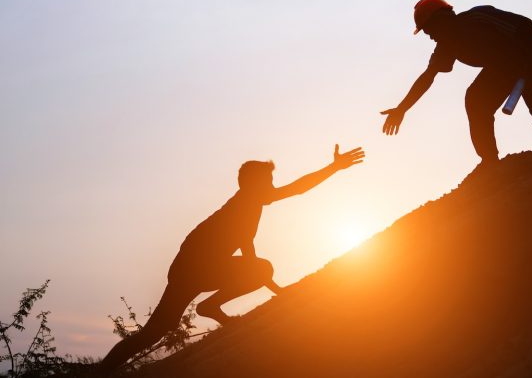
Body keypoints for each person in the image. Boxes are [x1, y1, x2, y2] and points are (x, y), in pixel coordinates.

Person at [100, 144, 365, 373]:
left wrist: (271, 285)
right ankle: (102, 369)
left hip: (190, 267)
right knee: (158, 329)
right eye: (268, 180)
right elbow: (296, 190)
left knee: (156, 330)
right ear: (252, 183)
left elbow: (245, 243)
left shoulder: (247, 204)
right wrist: (333, 168)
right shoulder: (246, 202)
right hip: (192, 267)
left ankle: (101, 370)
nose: (272, 186)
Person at [381, 0, 532, 168]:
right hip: (502, 68)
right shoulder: (446, 46)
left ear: (443, 18)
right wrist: (402, 109)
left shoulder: (477, 17)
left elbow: (524, 25)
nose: (430, 36)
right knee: (475, 100)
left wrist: (530, 61)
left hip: (531, 53)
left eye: (430, 29)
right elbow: (428, 77)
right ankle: (489, 162)